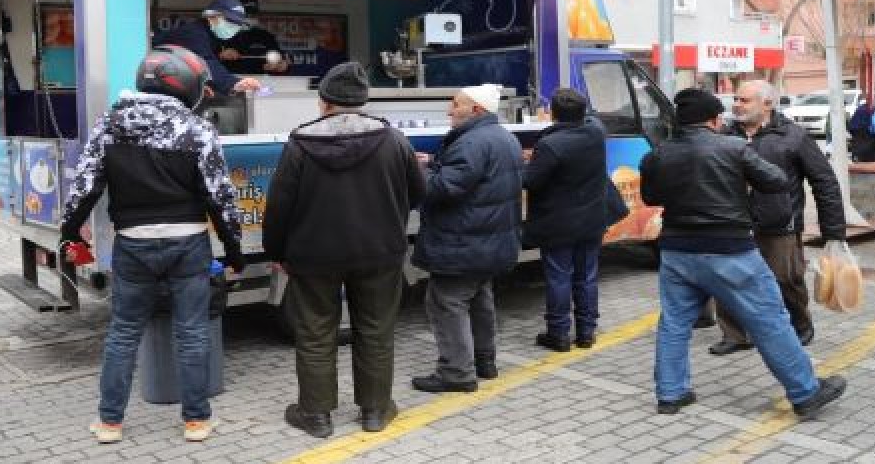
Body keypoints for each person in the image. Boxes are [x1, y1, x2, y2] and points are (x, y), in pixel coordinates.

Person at [59, 45, 247, 445]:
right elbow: (221, 197)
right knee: (193, 333)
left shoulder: (109, 125)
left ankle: (110, 423)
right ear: (185, 83)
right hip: (188, 245)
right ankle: (196, 422)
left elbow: (84, 187)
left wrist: (70, 233)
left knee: (123, 333)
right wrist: (234, 252)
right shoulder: (197, 129)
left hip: (132, 245)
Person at [640, 88, 846, 419]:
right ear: (712, 120)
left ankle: (671, 394)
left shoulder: (658, 154)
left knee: (675, 322)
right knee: (768, 319)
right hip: (730, 251)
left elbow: (650, 197)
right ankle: (805, 392)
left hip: (677, 251)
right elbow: (777, 180)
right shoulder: (734, 148)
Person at [263, 62, 424, 438]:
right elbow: (419, 193)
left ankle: (316, 416)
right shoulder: (394, 139)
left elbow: (280, 205)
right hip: (380, 254)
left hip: (312, 257)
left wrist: (277, 251)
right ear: (363, 101)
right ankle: (375, 411)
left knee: (316, 334)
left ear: (324, 102)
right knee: (376, 330)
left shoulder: (300, 142)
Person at [711, 80, 846, 355]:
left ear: (768, 103)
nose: (736, 104)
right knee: (728, 280)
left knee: (786, 280)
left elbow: (824, 182)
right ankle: (736, 335)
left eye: (744, 100)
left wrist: (833, 232)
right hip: (733, 224)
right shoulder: (724, 135)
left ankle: (800, 326)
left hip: (779, 225)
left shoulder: (793, 136)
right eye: (736, 99)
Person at [411, 84, 522, 393]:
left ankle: (456, 372)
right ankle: (484, 361)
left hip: (462, 242)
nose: (449, 110)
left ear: (475, 109)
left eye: (455, 104)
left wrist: (416, 169)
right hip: (488, 241)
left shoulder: (471, 143)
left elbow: (442, 190)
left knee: (446, 303)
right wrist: (433, 163)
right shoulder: (502, 137)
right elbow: (469, 179)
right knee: (480, 299)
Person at [522, 88, 619, 352]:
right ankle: (586, 332)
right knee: (587, 276)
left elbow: (530, 181)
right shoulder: (595, 133)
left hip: (559, 224)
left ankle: (559, 334)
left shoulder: (550, 144)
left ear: (552, 113)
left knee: (559, 277)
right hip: (592, 220)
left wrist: (527, 163)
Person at [152, 0, 263, 95]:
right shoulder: (193, 33)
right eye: (230, 21)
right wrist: (234, 83)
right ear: (211, 17)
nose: (234, 26)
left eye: (237, 23)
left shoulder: (213, 36)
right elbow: (206, 63)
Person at [218, 0, 290, 75]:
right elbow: (207, 60)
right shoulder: (219, 34)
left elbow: (281, 61)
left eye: (252, 14)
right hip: (228, 80)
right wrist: (221, 55)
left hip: (260, 82)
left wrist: (281, 66)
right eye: (245, 14)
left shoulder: (265, 36)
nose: (249, 18)